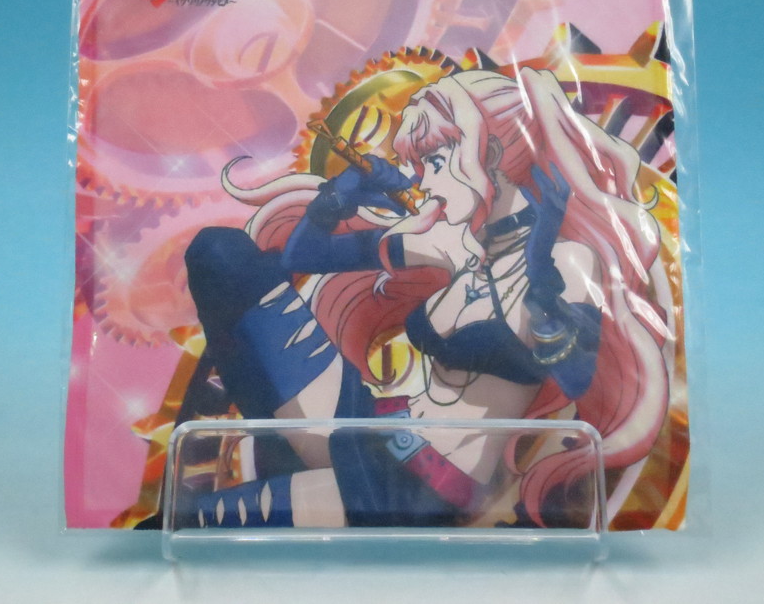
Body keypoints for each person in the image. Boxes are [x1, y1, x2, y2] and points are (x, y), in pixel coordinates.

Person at [183, 67, 670, 528]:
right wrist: (344, 193)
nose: (423, 181)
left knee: (192, 520)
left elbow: (575, 376)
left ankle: (286, 461)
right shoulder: (447, 241)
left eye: (434, 161)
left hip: (416, 488)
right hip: (369, 427)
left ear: (490, 155)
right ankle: (276, 443)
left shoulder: (568, 260)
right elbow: (302, 256)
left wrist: (541, 272)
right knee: (219, 255)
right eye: (418, 165)